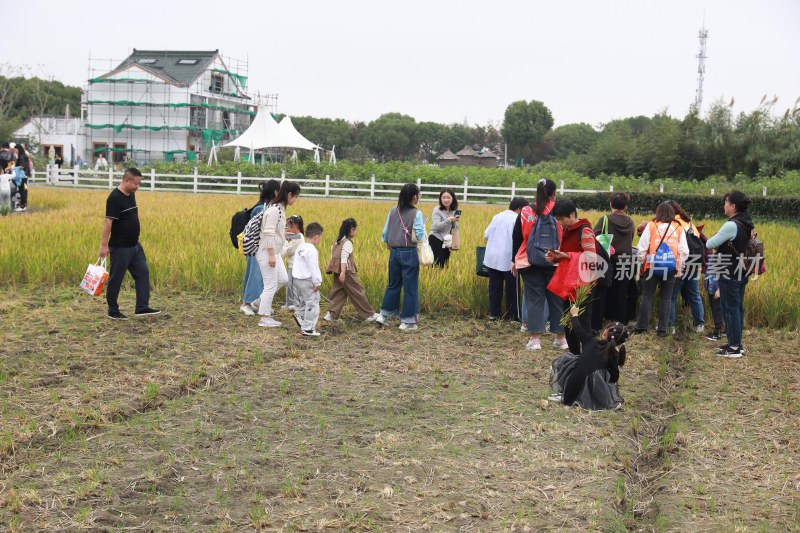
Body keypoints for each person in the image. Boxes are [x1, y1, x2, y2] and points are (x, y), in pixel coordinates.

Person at [99, 168, 160, 320]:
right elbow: (108, 222)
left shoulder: (131, 194)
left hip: (135, 246)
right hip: (120, 247)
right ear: (126, 181)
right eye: (135, 184)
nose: (137, 187)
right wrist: (104, 245)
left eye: (139, 184)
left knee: (143, 273)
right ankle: (113, 311)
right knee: (116, 278)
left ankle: (142, 307)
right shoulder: (114, 198)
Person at [513, 178, 567, 350]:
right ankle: (561, 339)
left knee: (534, 299)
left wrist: (514, 260)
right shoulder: (560, 210)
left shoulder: (526, 210)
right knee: (557, 300)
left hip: (529, 261)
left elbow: (517, 237)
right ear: (554, 193)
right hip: (556, 261)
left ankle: (535, 340)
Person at [546, 200, 600, 355]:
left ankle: (587, 355)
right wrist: (556, 257)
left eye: (562, 219)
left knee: (582, 322)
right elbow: (567, 254)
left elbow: (591, 258)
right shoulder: (567, 230)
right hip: (569, 282)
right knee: (568, 320)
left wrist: (567, 255)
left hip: (583, 284)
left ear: (572, 214)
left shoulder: (584, 230)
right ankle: (574, 354)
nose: (560, 223)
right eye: (558, 220)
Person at [549, 306, 629, 410]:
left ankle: (563, 393)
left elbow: (578, 329)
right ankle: (598, 400)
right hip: (589, 391)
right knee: (601, 375)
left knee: (574, 360)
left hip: (571, 386)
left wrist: (574, 315)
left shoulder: (590, 340)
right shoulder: (613, 354)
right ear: (621, 343)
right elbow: (614, 377)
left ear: (605, 332)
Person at [705, 191, 755, 358]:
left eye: (726, 202)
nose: (724, 205)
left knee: (730, 309)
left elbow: (710, 243)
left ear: (733, 206)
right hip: (741, 271)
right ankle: (736, 344)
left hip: (729, 271)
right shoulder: (747, 222)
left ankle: (734, 347)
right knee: (737, 308)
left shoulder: (731, 225)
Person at [635, 202, 688, 337]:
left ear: (658, 212)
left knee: (647, 296)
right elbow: (684, 251)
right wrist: (679, 268)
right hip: (670, 267)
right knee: (666, 298)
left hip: (652, 265)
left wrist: (642, 263)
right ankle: (662, 330)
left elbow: (642, 248)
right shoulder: (678, 227)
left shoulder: (652, 225)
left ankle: (642, 328)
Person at [377, 183, 426, 330]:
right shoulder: (416, 213)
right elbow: (419, 235)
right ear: (414, 197)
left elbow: (385, 232)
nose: (419, 197)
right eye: (418, 195)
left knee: (393, 284)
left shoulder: (393, 210)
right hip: (409, 253)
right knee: (410, 287)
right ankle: (407, 322)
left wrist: (389, 242)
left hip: (394, 252)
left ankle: (383, 315)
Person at [256, 181, 301, 327]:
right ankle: (264, 317)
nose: (296, 200)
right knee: (271, 283)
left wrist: (289, 235)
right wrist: (271, 256)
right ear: (289, 195)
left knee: (283, 279)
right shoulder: (275, 210)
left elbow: (276, 231)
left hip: (274, 251)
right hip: (266, 251)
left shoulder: (280, 208)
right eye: (296, 196)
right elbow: (268, 233)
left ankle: (259, 303)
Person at [324, 218, 382, 323]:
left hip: (338, 271)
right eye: (355, 230)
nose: (355, 232)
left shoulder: (336, 242)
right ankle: (369, 315)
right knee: (357, 291)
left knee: (339, 292)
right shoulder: (347, 243)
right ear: (351, 230)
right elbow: (344, 258)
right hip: (346, 272)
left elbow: (333, 257)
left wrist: (339, 272)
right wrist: (343, 272)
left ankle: (331, 315)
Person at [483, 197, 528, 321]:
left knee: (494, 287)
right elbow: (521, 239)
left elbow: (486, 235)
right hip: (509, 259)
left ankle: (494, 314)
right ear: (520, 209)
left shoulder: (497, 216)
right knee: (512, 289)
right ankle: (512, 316)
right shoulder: (517, 219)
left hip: (492, 258)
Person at [593, 192, 635, 325]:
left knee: (602, 291)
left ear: (611, 204)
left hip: (608, 261)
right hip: (625, 261)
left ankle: (599, 322)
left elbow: (594, 238)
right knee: (621, 293)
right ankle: (619, 322)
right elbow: (631, 238)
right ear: (625, 207)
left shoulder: (605, 219)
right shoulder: (630, 221)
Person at [241, 179, 281, 315]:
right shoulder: (262, 208)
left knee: (262, 277)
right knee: (254, 276)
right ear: (275, 191)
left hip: (261, 247)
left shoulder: (267, 206)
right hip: (256, 247)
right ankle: (247, 304)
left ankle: (257, 304)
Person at [666, 200, 706, 334]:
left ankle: (670, 326)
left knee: (671, 296)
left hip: (681, 265)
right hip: (694, 265)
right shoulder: (689, 223)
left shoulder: (674, 224)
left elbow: (675, 246)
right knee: (694, 295)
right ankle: (700, 324)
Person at [291, 222, 324, 336]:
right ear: (316, 237)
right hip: (307, 281)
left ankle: (299, 315)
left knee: (305, 301)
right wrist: (317, 282)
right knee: (313, 302)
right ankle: (308, 328)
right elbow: (314, 267)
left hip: (296, 280)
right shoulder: (312, 250)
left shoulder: (301, 247)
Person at [429, 188, 460, 268]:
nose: (446, 200)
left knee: (445, 265)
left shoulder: (453, 211)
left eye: (448, 197)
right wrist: (449, 220)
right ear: (440, 199)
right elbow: (436, 227)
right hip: (436, 239)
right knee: (438, 266)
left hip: (447, 241)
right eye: (444, 197)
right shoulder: (437, 210)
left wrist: (455, 221)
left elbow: (454, 228)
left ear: (453, 198)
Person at [281, 215, 306, 311]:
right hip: (292, 265)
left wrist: (284, 243)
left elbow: (287, 252)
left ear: (294, 227)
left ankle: (295, 304)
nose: (287, 229)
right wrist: (284, 236)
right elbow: (286, 236)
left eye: (288, 226)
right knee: (289, 284)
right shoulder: (298, 235)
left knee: (292, 285)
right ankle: (289, 303)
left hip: (295, 266)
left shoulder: (299, 238)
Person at [702, 252, 725, 342]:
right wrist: (705, 286)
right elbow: (708, 272)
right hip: (711, 288)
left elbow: (718, 273)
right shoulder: (714, 255)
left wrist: (718, 288)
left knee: (717, 310)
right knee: (716, 309)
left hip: (716, 289)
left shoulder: (719, 256)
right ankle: (723, 330)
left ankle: (718, 332)